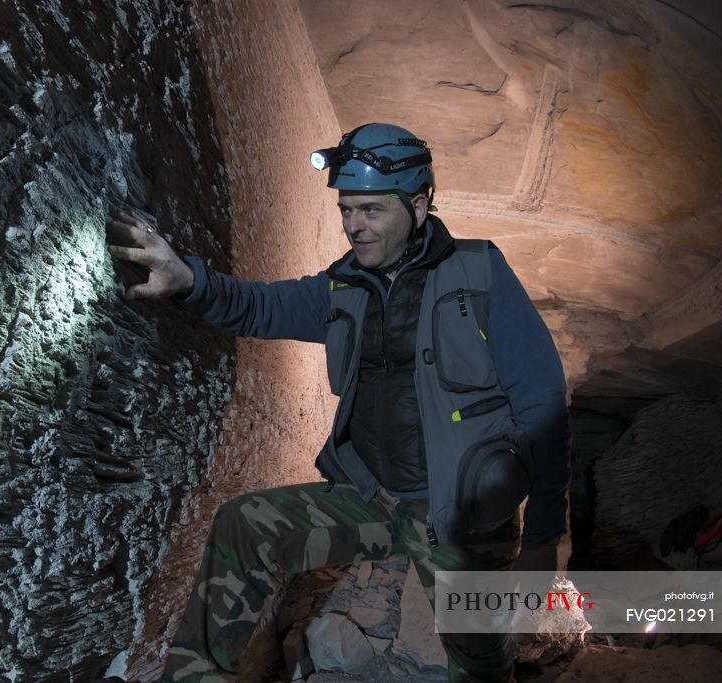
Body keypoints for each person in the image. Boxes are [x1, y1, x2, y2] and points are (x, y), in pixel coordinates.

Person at [105, 123, 570, 682]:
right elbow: (262, 307)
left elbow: (542, 405)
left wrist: (543, 539)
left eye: (372, 210)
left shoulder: (480, 274)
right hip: (373, 500)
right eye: (347, 209)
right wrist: (189, 282)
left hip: (464, 522)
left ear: (418, 207)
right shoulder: (344, 286)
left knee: (480, 664)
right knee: (246, 524)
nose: (355, 225)